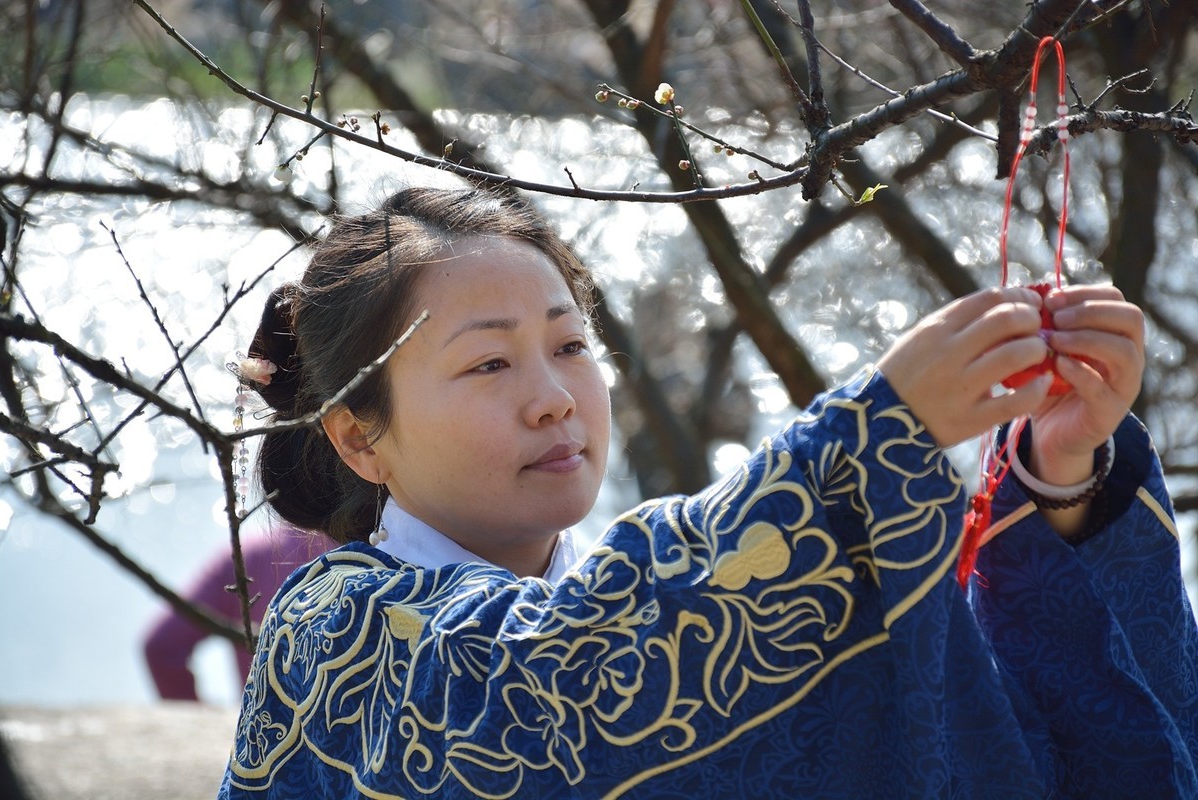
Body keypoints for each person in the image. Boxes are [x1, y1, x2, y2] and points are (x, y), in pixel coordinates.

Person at [219, 187, 1197, 798]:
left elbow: (966, 731)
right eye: (488, 366)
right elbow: (558, 683)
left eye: (570, 346)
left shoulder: (604, 594)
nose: (555, 398)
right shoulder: (333, 632)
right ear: (359, 436)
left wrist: (1056, 479)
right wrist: (864, 438)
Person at [143, 525, 331, 701]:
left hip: (266, 730)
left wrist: (202, 721)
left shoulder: (248, 556)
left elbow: (162, 646)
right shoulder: (356, 551)